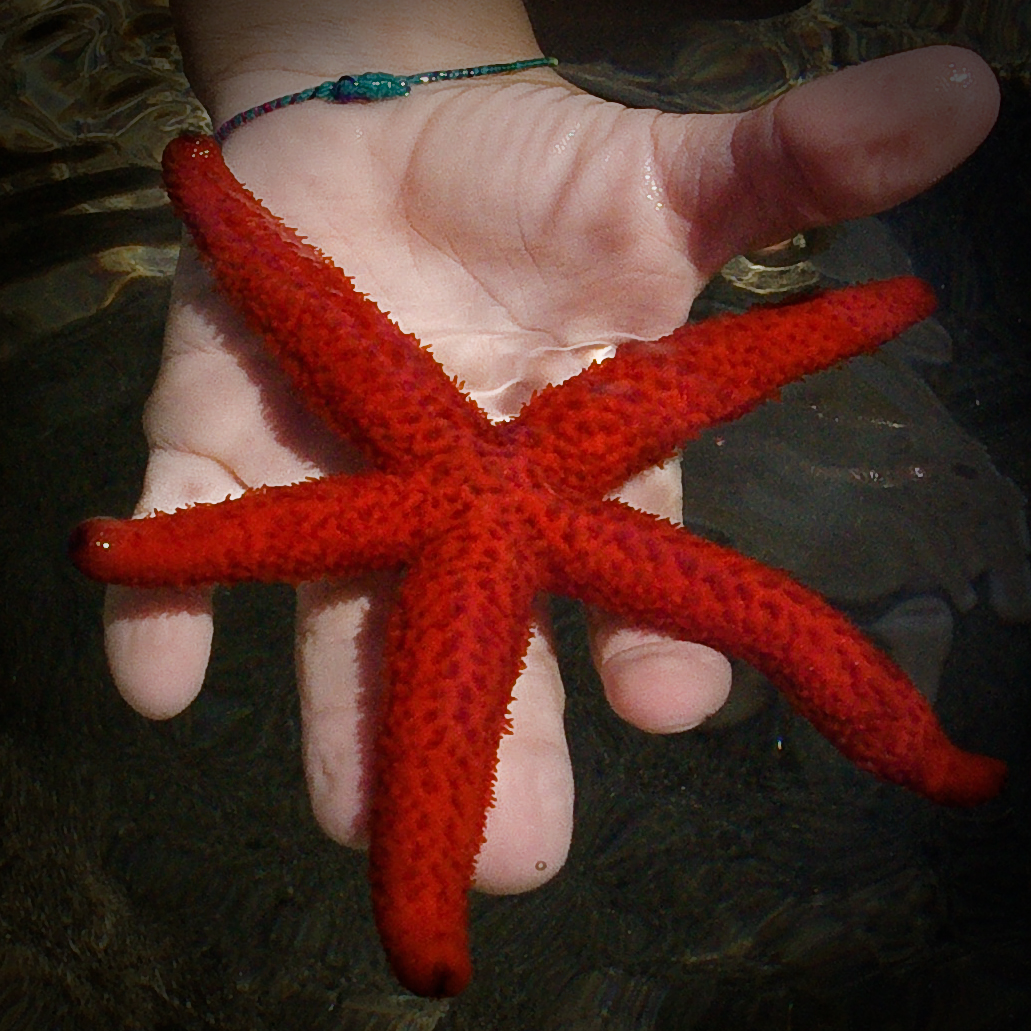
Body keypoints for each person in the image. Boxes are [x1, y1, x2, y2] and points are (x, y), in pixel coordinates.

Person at [104, 0, 1000, 895]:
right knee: (768, 618)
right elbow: (299, 317)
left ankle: (922, 754)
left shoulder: (444, 453)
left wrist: (307, 74)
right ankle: (923, 758)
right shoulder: (512, 461)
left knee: (770, 625)